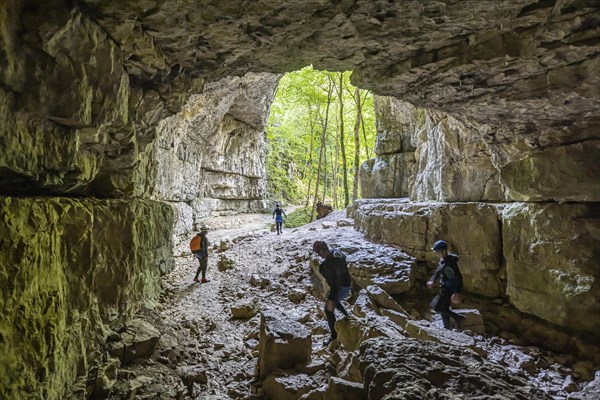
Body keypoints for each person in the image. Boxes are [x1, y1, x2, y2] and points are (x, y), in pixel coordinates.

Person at [312, 240, 352, 345]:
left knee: (328, 309)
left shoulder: (326, 265)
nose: (318, 255)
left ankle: (334, 337)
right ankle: (347, 316)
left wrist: (330, 299)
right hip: (348, 283)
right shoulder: (337, 252)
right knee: (334, 300)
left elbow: (334, 284)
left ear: (321, 251)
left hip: (341, 288)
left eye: (318, 252)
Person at [426, 240, 465, 329]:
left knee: (436, 306)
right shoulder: (443, 261)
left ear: (444, 251)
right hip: (445, 287)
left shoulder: (450, 263)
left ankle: (458, 318)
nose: (436, 254)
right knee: (444, 308)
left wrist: (457, 292)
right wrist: (432, 280)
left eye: (438, 252)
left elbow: (458, 277)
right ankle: (447, 327)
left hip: (449, 289)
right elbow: (438, 270)